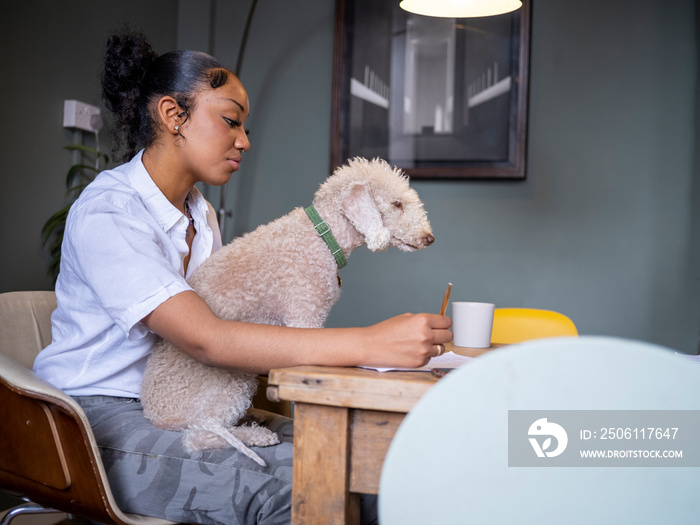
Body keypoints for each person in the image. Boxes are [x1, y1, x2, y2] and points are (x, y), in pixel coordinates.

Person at [33, 31, 452, 524]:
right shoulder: (111, 212)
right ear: (173, 116)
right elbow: (207, 340)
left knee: (370, 464)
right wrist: (370, 344)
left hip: (185, 401)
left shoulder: (200, 215)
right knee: (301, 490)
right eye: (231, 121)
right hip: (90, 420)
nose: (244, 140)